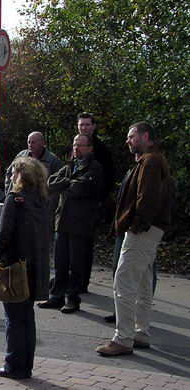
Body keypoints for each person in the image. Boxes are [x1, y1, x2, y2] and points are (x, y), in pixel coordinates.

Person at [96, 122, 172, 356]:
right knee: (142, 282)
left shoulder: (149, 161)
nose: (128, 141)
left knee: (124, 281)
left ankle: (123, 338)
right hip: (151, 228)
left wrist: (136, 225)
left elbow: (147, 199)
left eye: (131, 136)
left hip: (143, 229)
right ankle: (140, 333)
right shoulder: (153, 160)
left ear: (145, 136)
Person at [0, 157, 51, 379]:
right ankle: (26, 365)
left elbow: (3, 233)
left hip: (16, 264)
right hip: (36, 265)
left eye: (14, 172)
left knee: (13, 317)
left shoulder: (15, 199)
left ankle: (14, 365)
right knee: (27, 317)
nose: (11, 177)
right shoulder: (43, 201)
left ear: (21, 176)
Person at [38, 134, 103, 314]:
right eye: (74, 144)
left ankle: (72, 298)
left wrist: (66, 185)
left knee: (76, 264)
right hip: (63, 221)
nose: (76, 148)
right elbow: (49, 183)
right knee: (60, 262)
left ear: (90, 148)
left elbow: (79, 189)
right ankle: (56, 296)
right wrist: (68, 182)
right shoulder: (69, 167)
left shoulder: (94, 168)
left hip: (81, 224)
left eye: (81, 145)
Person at [77, 112, 115, 292]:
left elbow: (109, 178)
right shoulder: (77, 145)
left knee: (85, 245)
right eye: (81, 125)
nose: (84, 127)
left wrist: (99, 200)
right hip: (74, 205)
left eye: (87, 124)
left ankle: (82, 282)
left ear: (94, 126)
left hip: (90, 205)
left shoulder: (101, 150)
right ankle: (72, 280)